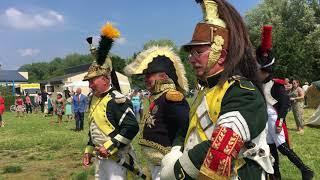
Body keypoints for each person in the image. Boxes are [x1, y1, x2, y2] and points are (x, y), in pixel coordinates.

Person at [160, 1, 273, 179]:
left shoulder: (243, 92)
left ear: (221, 56)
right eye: (191, 53)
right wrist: (175, 151)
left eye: (198, 52)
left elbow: (221, 147)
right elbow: (188, 130)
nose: (191, 59)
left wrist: (177, 171)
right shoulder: (205, 90)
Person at [82, 23, 141, 179]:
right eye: (89, 82)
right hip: (100, 157)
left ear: (105, 79)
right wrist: (88, 150)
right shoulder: (94, 99)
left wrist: (109, 146)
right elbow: (93, 127)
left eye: (92, 81)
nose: (90, 85)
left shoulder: (117, 100)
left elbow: (131, 127)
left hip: (117, 158)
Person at [256, 25, 314, 180]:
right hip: (264, 121)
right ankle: (276, 176)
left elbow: (284, 104)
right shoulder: (257, 86)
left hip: (275, 119)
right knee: (271, 150)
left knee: (282, 147)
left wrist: (280, 121)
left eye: (259, 71)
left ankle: (305, 169)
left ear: (266, 71)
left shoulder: (277, 85)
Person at [125, 45, 190, 179]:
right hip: (156, 165)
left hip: (168, 164)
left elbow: (185, 127)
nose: (145, 79)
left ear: (163, 76)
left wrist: (176, 153)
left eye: (149, 75)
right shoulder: (157, 96)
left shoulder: (171, 96)